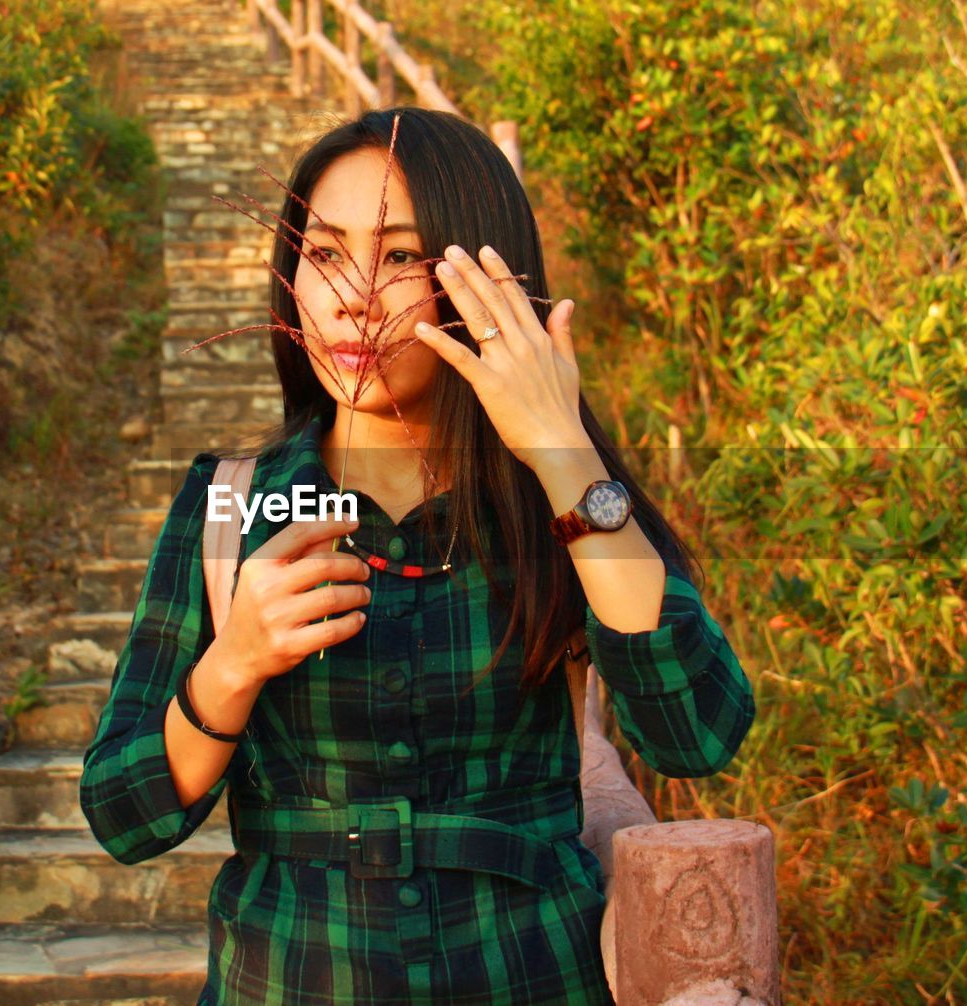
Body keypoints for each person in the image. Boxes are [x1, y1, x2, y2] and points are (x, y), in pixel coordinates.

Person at [80, 107, 756, 1005]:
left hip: (533, 976)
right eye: (323, 255)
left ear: (486, 280)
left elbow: (697, 732)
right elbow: (125, 817)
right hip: (289, 977)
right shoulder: (233, 506)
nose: (352, 294)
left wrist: (561, 448)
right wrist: (233, 663)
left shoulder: (545, 501)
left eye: (399, 257)